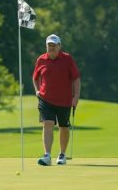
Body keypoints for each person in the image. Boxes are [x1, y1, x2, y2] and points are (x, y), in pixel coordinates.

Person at [32, 34, 81, 166]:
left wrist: (75, 98)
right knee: (47, 124)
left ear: (59, 46)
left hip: (64, 100)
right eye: (49, 45)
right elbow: (35, 77)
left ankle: (62, 154)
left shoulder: (67, 59)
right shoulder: (41, 60)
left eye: (54, 45)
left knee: (63, 127)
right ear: (46, 46)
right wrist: (37, 90)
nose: (51, 48)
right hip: (45, 99)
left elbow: (76, 79)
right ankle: (47, 155)